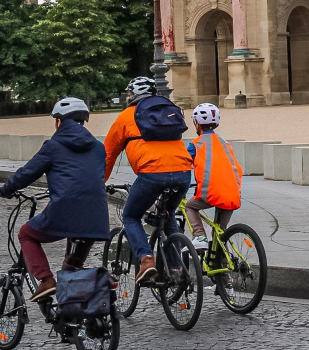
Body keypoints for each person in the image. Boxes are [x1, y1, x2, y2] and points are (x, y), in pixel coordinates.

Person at [0, 97, 109, 302]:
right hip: (96, 216)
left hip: (65, 211)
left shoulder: (53, 146)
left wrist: (6, 189)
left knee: (26, 234)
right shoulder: (99, 148)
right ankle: (75, 320)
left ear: (59, 121)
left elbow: (28, 173)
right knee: (71, 267)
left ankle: (46, 280)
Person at [104, 77, 192, 285]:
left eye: (129, 93)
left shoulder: (126, 116)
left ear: (133, 95)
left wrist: (100, 181)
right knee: (168, 216)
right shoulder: (167, 112)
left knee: (131, 216)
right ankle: (177, 269)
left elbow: (108, 154)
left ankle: (146, 260)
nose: (127, 97)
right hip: (183, 172)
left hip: (152, 174)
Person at [186, 103, 242, 250]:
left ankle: (199, 236)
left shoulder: (195, 145)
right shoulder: (225, 144)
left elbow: (182, 165)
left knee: (189, 206)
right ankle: (222, 272)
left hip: (211, 193)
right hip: (232, 193)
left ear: (197, 124)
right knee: (220, 234)